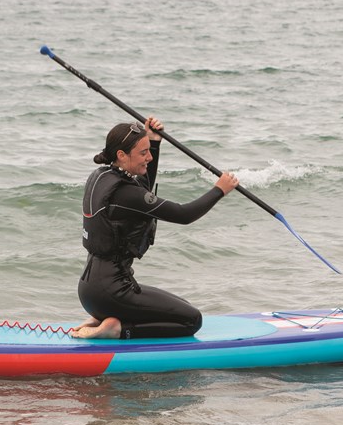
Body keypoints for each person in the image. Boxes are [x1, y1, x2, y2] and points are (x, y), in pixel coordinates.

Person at [71, 116, 239, 340]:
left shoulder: (103, 176)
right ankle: (119, 330)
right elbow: (184, 214)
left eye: (149, 151)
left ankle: (104, 317)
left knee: (182, 307)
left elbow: (143, 188)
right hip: (112, 292)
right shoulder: (126, 194)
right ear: (122, 155)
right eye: (143, 153)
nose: (149, 157)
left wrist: (154, 140)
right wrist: (219, 190)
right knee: (191, 320)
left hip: (93, 289)